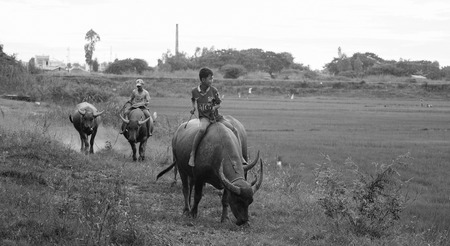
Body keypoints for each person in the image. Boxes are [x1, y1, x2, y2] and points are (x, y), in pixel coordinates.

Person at [188, 67, 245, 167]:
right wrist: (193, 108)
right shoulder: (195, 91)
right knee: (201, 130)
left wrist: (214, 108)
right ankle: (192, 154)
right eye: (210, 79)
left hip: (216, 117)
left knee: (234, 130)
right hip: (205, 117)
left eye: (212, 78)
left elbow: (219, 104)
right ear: (203, 80)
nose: (212, 80)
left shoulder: (214, 90)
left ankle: (240, 155)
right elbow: (193, 99)